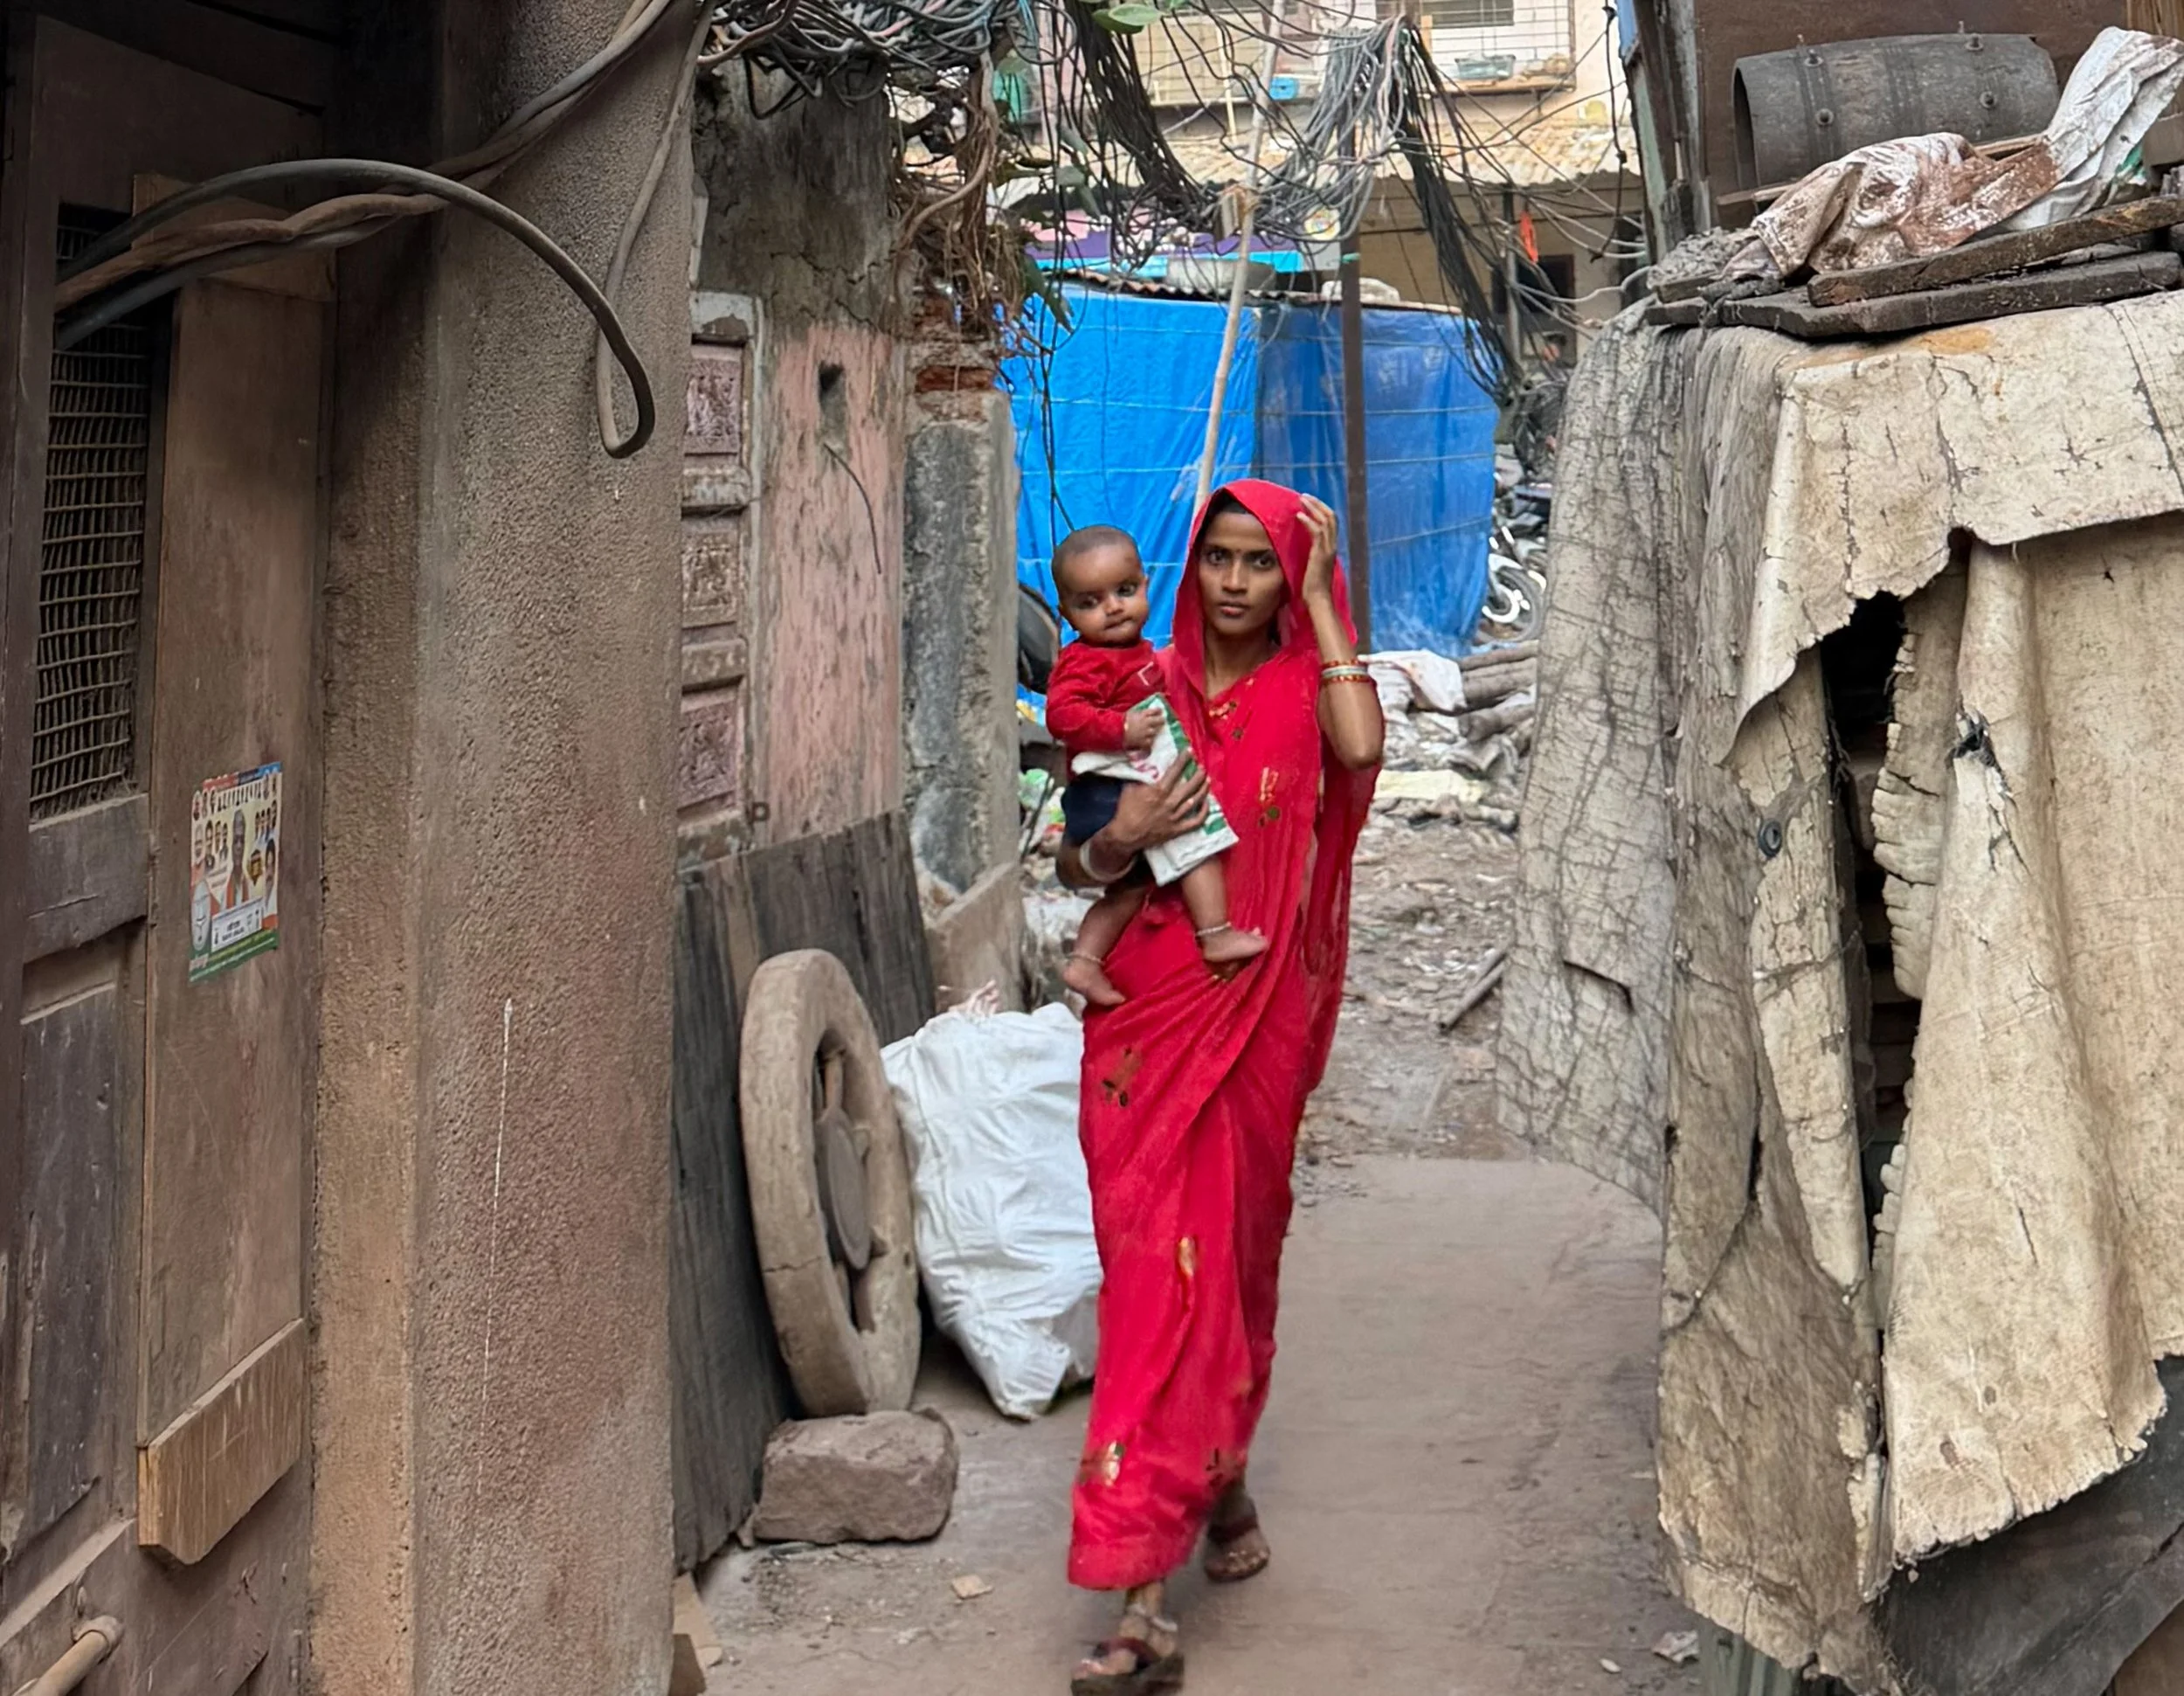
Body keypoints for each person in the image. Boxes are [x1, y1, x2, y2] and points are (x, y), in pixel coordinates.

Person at [1056, 481, 1384, 1693]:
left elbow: (1362, 754)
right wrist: (1120, 831)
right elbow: (1072, 840)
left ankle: (1187, 1530)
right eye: (1219, 560)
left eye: (1260, 563)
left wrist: (1320, 598)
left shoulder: (1309, 688)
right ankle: (1175, 1542)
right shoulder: (1141, 680)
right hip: (1142, 1022)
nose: (1235, 582)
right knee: (1152, 1272)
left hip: (1254, 1027)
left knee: (1227, 1262)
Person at [1044, 523, 1267, 1007]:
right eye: (1090, 602)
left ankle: (1084, 962)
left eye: (1125, 591)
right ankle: (1216, 932)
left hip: (1125, 789)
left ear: (1148, 584)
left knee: (1126, 893)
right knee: (1195, 840)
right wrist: (1120, 834)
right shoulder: (1093, 661)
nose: (1235, 582)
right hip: (1115, 790)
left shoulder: (1143, 658)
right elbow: (1062, 716)